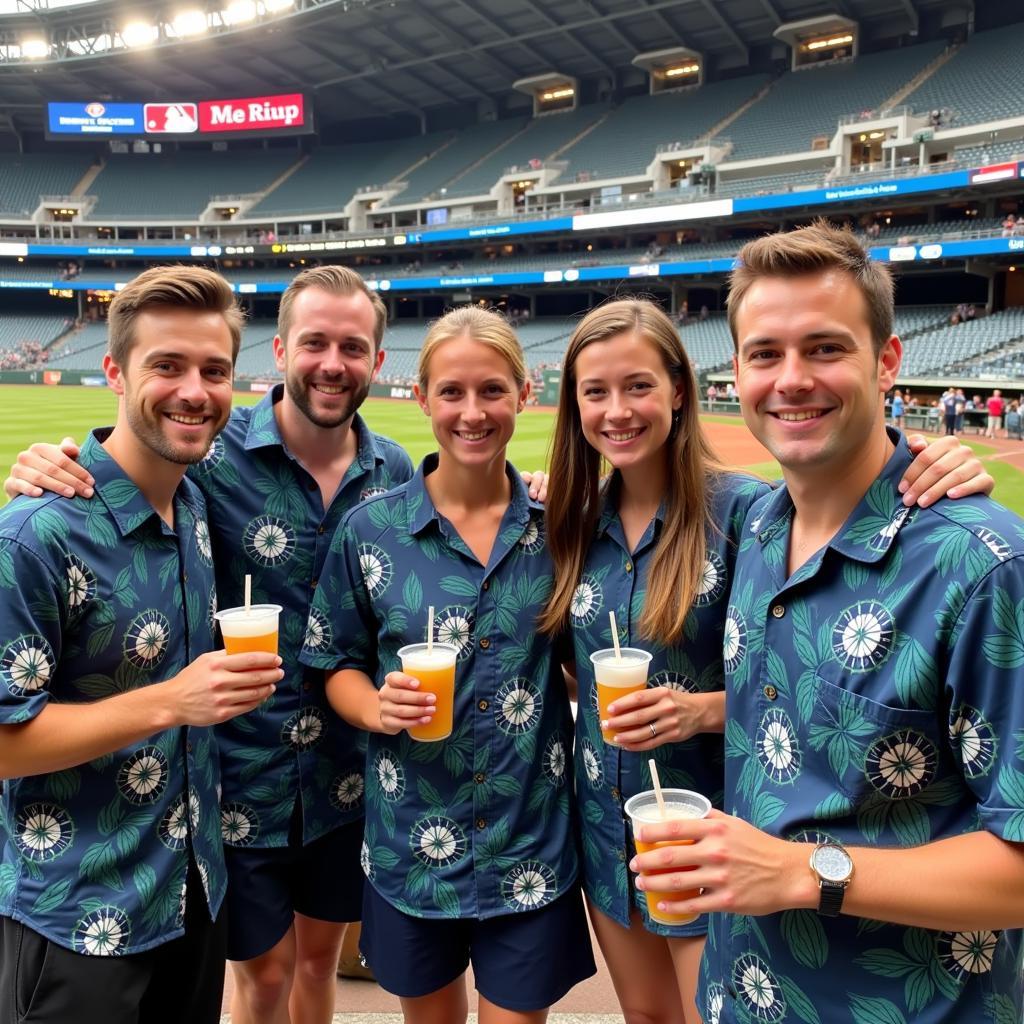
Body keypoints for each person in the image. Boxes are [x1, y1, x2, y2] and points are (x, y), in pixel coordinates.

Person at [537, 298, 994, 1024]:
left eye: (639, 386)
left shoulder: (751, 515)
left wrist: (936, 459)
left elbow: (787, 682)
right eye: (596, 392)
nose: (617, 411)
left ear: (680, 389)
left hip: (721, 833)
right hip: (607, 829)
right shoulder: (568, 520)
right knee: (647, 1017)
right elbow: (568, 668)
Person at [630, 221, 1024, 1024]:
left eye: (825, 348)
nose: (792, 379)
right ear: (734, 370)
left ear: (886, 362)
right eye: (765, 354)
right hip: (743, 995)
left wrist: (806, 872)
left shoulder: (982, 567)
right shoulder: (761, 528)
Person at [0, 266, 284, 1024]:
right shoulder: (36, 534)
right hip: (78, 917)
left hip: (192, 896)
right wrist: (172, 701)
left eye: (215, 370)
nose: (195, 390)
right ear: (115, 372)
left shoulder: (193, 500)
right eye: (167, 365)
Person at [300, 307, 595, 1024]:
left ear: (525, 395)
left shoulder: (560, 527)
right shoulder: (370, 529)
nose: (472, 412)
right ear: (422, 396)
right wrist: (374, 706)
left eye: (492, 391)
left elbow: (576, 661)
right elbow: (334, 659)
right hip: (410, 850)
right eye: (452, 392)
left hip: (530, 849)